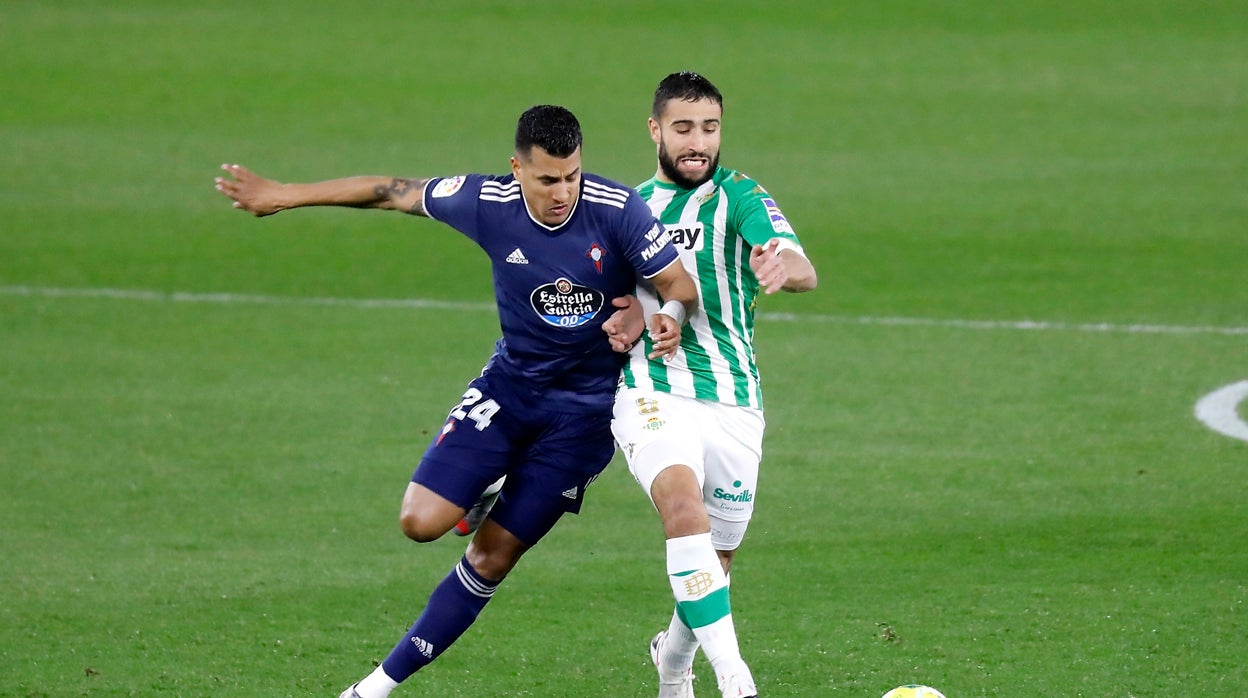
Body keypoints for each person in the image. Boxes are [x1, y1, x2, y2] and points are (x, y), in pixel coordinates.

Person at [214, 104, 698, 697]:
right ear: (516, 169)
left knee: (490, 560)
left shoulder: (618, 208)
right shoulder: (485, 202)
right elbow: (390, 192)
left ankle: (374, 687)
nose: (562, 192)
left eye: (571, 175)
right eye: (547, 179)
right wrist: (286, 194)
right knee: (419, 523)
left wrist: (666, 314)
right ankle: (486, 487)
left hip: (586, 415)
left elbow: (679, 284)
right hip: (510, 388)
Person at [603, 72, 818, 698]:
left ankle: (671, 661)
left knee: (715, 563)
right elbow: (617, 299)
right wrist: (641, 316)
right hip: (653, 388)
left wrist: (782, 263)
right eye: (684, 128)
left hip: (733, 399)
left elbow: (800, 267)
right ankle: (737, 680)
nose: (698, 142)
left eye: (710, 128)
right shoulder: (631, 209)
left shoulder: (742, 195)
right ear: (656, 130)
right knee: (682, 509)